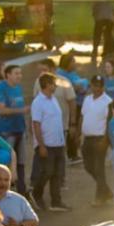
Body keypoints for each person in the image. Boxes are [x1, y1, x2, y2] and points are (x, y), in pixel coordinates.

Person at [29, 73, 69, 212]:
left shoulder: (53, 100)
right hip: (47, 144)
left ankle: (56, 201)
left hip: (58, 143)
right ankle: (36, 193)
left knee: (57, 174)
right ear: (46, 84)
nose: (55, 86)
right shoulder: (38, 102)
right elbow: (36, 124)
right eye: (53, 83)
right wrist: (41, 145)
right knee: (47, 172)